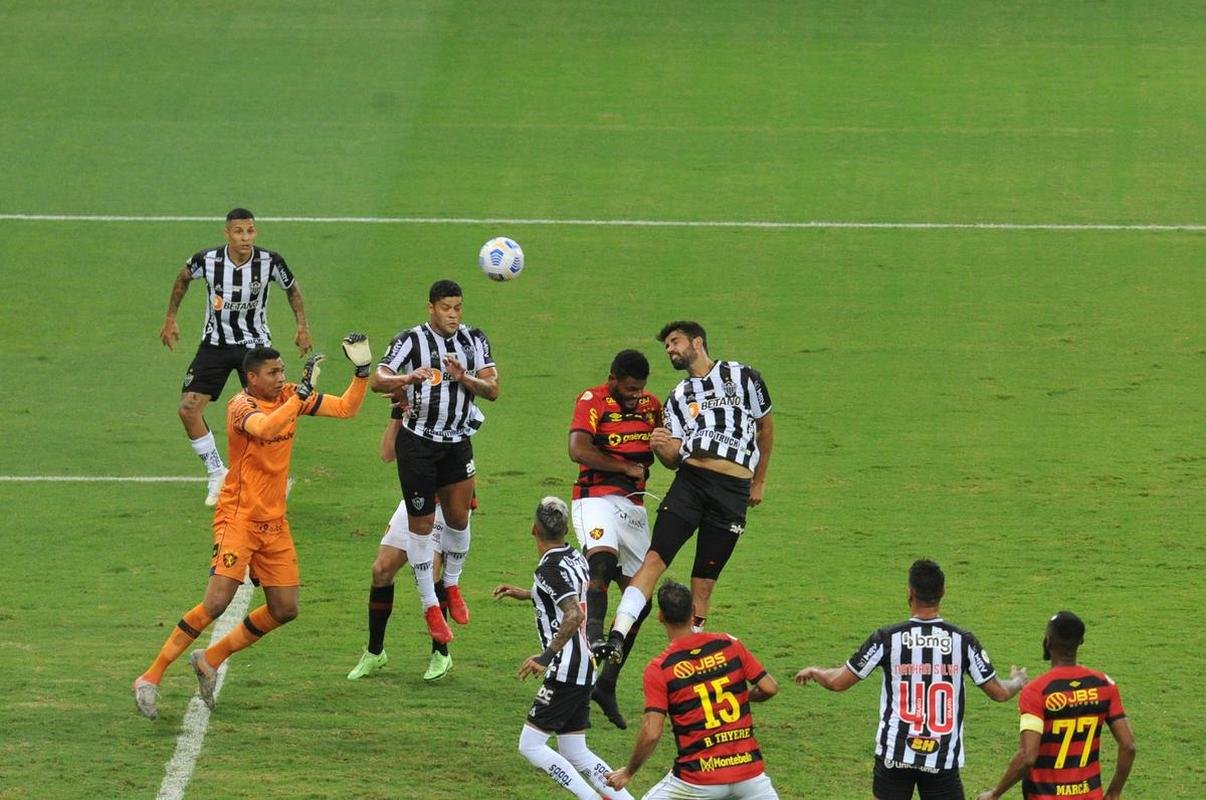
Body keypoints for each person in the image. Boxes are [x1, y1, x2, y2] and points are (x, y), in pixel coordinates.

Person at [133, 335, 371, 719]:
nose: (281, 378)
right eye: (273, 373)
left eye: (283, 371)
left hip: (274, 523)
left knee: (285, 608)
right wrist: (298, 398)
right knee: (216, 602)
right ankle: (150, 677)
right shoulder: (240, 406)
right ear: (251, 377)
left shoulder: (290, 395)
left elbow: (345, 409)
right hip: (238, 518)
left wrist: (361, 373)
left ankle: (211, 658)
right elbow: (263, 429)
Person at [601, 321, 773, 661]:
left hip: (733, 489)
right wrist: (661, 446)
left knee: (704, 583)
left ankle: (688, 656)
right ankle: (617, 635)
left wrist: (760, 480)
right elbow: (674, 459)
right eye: (666, 345)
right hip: (691, 482)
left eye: (674, 341)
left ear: (697, 342)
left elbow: (765, 426)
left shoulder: (743, 376)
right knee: (654, 559)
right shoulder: (677, 397)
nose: (669, 349)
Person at [794, 559, 1029, 800]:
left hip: (895, 755)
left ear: (910, 592)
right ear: (943, 592)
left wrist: (816, 671)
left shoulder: (887, 638)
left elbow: (838, 682)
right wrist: (1018, 681)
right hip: (941, 759)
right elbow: (999, 692)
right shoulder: (963, 640)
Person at [370, 279, 498, 644]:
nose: (454, 315)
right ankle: (430, 605)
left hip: (457, 442)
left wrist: (464, 377)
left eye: (458, 308)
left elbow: (493, 390)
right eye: (446, 308)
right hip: (418, 445)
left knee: (458, 518)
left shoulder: (475, 340)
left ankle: (452, 585)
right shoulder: (410, 340)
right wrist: (406, 377)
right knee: (422, 526)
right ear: (431, 308)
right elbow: (379, 380)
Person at [159, 208, 312, 506]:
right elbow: (182, 279)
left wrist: (302, 327)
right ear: (226, 233)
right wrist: (170, 318)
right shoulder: (208, 259)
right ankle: (217, 473)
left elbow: (292, 289)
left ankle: (271, 480)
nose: (245, 237)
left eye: (250, 231)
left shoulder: (270, 261)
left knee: (269, 417)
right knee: (188, 409)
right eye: (239, 231)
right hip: (214, 345)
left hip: (254, 348)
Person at [492, 497, 635, 800]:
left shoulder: (548, 569)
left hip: (565, 670)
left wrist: (545, 657)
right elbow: (568, 596)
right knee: (575, 750)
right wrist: (525, 593)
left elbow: (574, 613)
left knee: (530, 746)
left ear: (534, 528)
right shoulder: (575, 557)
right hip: (586, 667)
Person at [605, 580, 780, 800]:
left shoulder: (660, 668)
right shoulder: (729, 644)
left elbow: (651, 732)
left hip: (697, 780)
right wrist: (742, 695)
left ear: (660, 617)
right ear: (694, 612)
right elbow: (770, 687)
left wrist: (628, 772)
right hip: (751, 777)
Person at [568, 348, 663, 729]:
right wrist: (624, 465)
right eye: (628, 389)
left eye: (639, 389)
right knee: (601, 561)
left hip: (634, 507)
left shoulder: (651, 405)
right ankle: (593, 638)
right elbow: (577, 448)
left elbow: (664, 452)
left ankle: (606, 683)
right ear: (612, 379)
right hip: (595, 498)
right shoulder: (594, 400)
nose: (634, 395)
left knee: (640, 598)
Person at [346, 411, 468, 683]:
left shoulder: (443, 409)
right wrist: (397, 413)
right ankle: (375, 652)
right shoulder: (408, 412)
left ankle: (441, 653)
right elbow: (387, 453)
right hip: (415, 501)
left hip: (444, 503)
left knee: (432, 568)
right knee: (381, 570)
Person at [975, 612, 1136, 800]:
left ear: (1048, 641)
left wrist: (995, 794)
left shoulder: (1037, 691)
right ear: (1081, 641)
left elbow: (1027, 756)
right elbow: (1128, 746)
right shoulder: (1104, 684)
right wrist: (1114, 792)